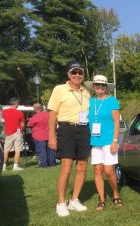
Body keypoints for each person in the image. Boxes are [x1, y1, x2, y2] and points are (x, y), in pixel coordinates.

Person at [48, 61, 91, 217]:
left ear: (83, 75)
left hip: (83, 130)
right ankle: (61, 202)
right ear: (68, 74)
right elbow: (52, 113)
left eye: (80, 73)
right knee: (66, 167)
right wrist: (51, 136)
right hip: (66, 129)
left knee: (82, 166)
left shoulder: (86, 92)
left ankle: (74, 200)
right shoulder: (59, 89)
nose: (77, 75)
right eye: (74, 72)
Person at [84, 75, 122, 211]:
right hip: (95, 141)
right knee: (97, 170)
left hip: (109, 140)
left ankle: (116, 193)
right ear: (93, 87)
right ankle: (101, 198)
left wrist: (115, 140)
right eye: (97, 85)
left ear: (106, 87)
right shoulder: (90, 101)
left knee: (109, 170)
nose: (100, 87)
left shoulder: (112, 100)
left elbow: (117, 122)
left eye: (103, 85)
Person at [27, 103, 56, 167]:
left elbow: (29, 124)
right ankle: (52, 163)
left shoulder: (36, 116)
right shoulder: (49, 114)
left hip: (39, 136)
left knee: (41, 150)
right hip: (49, 134)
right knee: (50, 150)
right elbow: (55, 123)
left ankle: (43, 164)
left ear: (35, 109)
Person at [2, 97, 24, 171]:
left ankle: (3, 166)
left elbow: (1, 121)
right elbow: (22, 124)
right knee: (18, 149)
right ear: (16, 103)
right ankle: (15, 166)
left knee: (6, 149)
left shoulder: (4, 111)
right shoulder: (20, 112)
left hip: (8, 132)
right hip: (18, 132)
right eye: (18, 103)